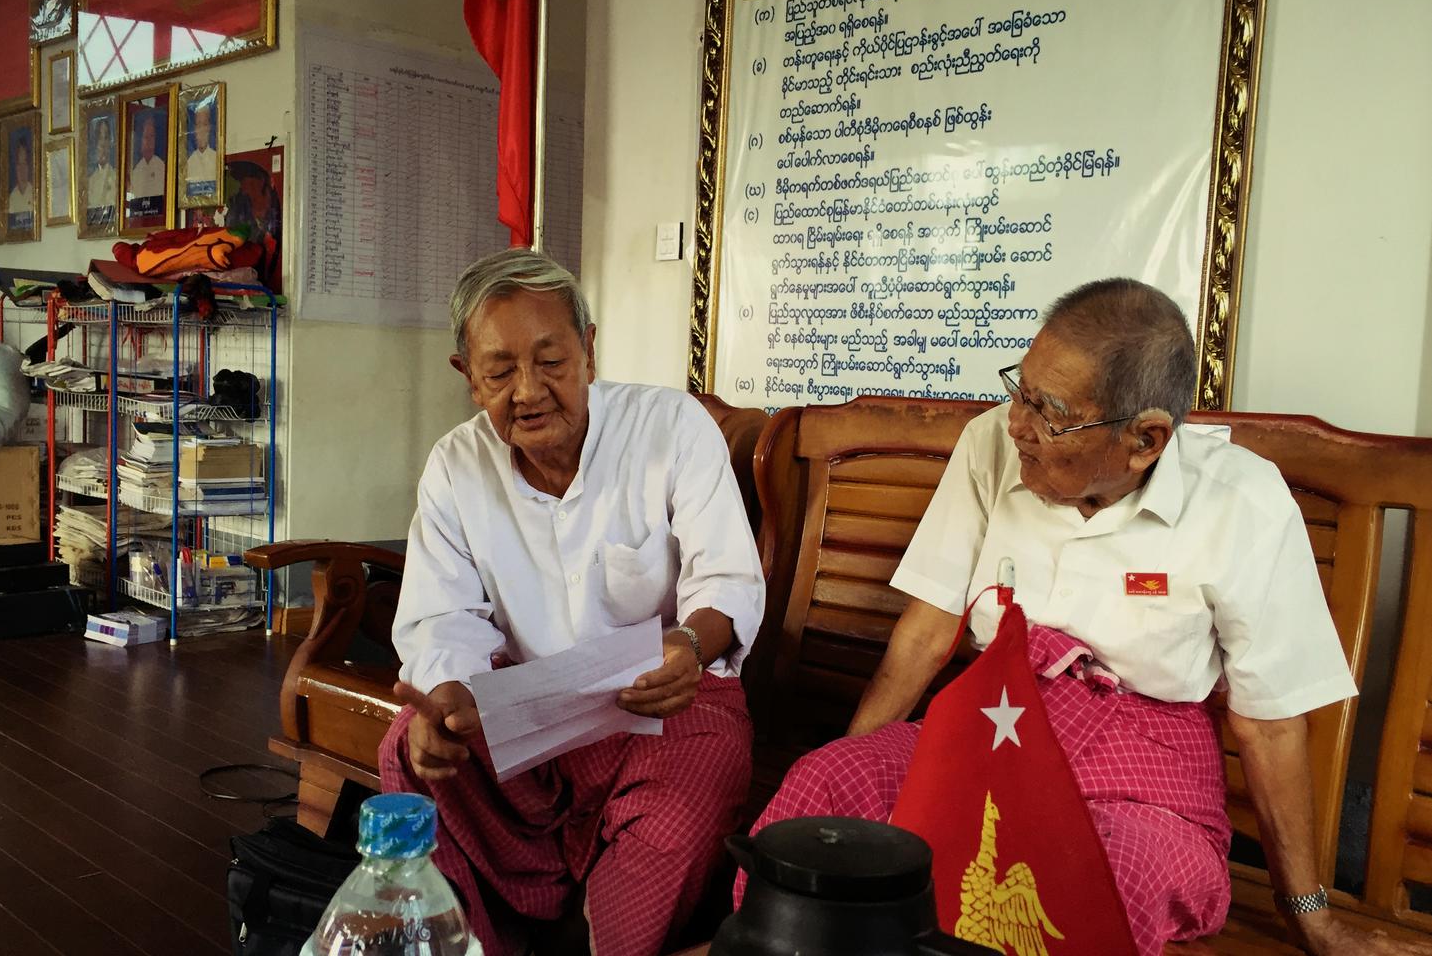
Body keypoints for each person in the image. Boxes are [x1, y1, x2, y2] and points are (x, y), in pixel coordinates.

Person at [748, 278, 1421, 956]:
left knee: (1086, 880)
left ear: (1145, 439)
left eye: (1049, 413)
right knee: (826, 785)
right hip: (995, 721)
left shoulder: (1241, 501)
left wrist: (1311, 917)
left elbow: (1268, 723)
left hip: (1142, 769)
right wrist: (855, 775)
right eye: (1020, 390)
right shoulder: (990, 443)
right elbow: (926, 631)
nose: (1016, 424)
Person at [378, 248, 765, 956]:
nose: (528, 391)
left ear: (589, 350)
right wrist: (448, 693)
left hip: (664, 700)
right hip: (531, 707)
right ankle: (479, 943)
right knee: (414, 744)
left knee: (671, 825)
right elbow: (443, 616)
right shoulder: (456, 465)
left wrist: (689, 645)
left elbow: (726, 579)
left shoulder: (670, 427)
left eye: (551, 361)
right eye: (500, 372)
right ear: (468, 378)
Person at [127, 114, 166, 199]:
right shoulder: (136, 171)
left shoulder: (162, 167)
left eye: (152, 136)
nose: (149, 141)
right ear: (140, 139)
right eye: (146, 137)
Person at [183, 104, 218, 189]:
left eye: (205, 124)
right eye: (198, 124)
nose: (201, 129)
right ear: (194, 129)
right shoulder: (190, 162)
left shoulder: (216, 159)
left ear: (209, 127)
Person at [87, 120, 117, 216]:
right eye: (100, 138)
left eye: (106, 138)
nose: (103, 143)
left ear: (110, 143)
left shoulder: (117, 177)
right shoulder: (90, 181)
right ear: (95, 143)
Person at [6, 140, 34, 226]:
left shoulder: (34, 194)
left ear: (29, 167)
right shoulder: (12, 197)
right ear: (15, 168)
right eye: (19, 164)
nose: (22, 169)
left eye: (24, 164)